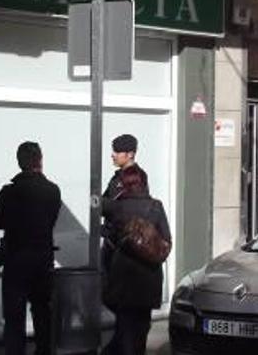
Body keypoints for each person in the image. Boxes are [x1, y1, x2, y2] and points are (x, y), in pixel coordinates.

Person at [0, 142, 61, 355]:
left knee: (14, 316)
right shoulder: (53, 191)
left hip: (16, 259)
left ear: (19, 162)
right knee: (42, 313)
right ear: (40, 160)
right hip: (43, 259)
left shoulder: (10, 192)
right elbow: (51, 219)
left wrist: (13, 221)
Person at [101, 164, 171, 355]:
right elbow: (167, 240)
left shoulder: (117, 207)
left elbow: (97, 205)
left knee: (125, 327)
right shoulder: (156, 207)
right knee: (141, 328)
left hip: (124, 278)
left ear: (124, 185)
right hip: (149, 277)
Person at [103, 134, 146, 200]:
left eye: (117, 151)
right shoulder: (118, 176)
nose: (113, 155)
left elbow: (129, 205)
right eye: (113, 151)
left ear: (130, 154)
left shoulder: (136, 177)